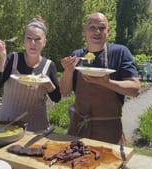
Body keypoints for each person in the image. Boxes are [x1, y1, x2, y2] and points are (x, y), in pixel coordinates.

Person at [59, 12, 140, 144]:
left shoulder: (120, 53)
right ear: (84, 30)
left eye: (102, 28)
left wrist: (107, 83)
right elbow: (64, 91)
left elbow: (135, 89)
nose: (97, 31)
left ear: (108, 31)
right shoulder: (77, 55)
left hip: (109, 132)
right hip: (78, 129)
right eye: (92, 27)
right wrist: (68, 71)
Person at [0, 16, 61, 132]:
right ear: (24, 41)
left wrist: (49, 85)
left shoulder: (49, 65)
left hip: (36, 127)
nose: (33, 43)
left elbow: (57, 98)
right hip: (8, 125)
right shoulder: (13, 59)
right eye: (29, 38)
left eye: (38, 39)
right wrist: (2, 57)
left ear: (44, 42)